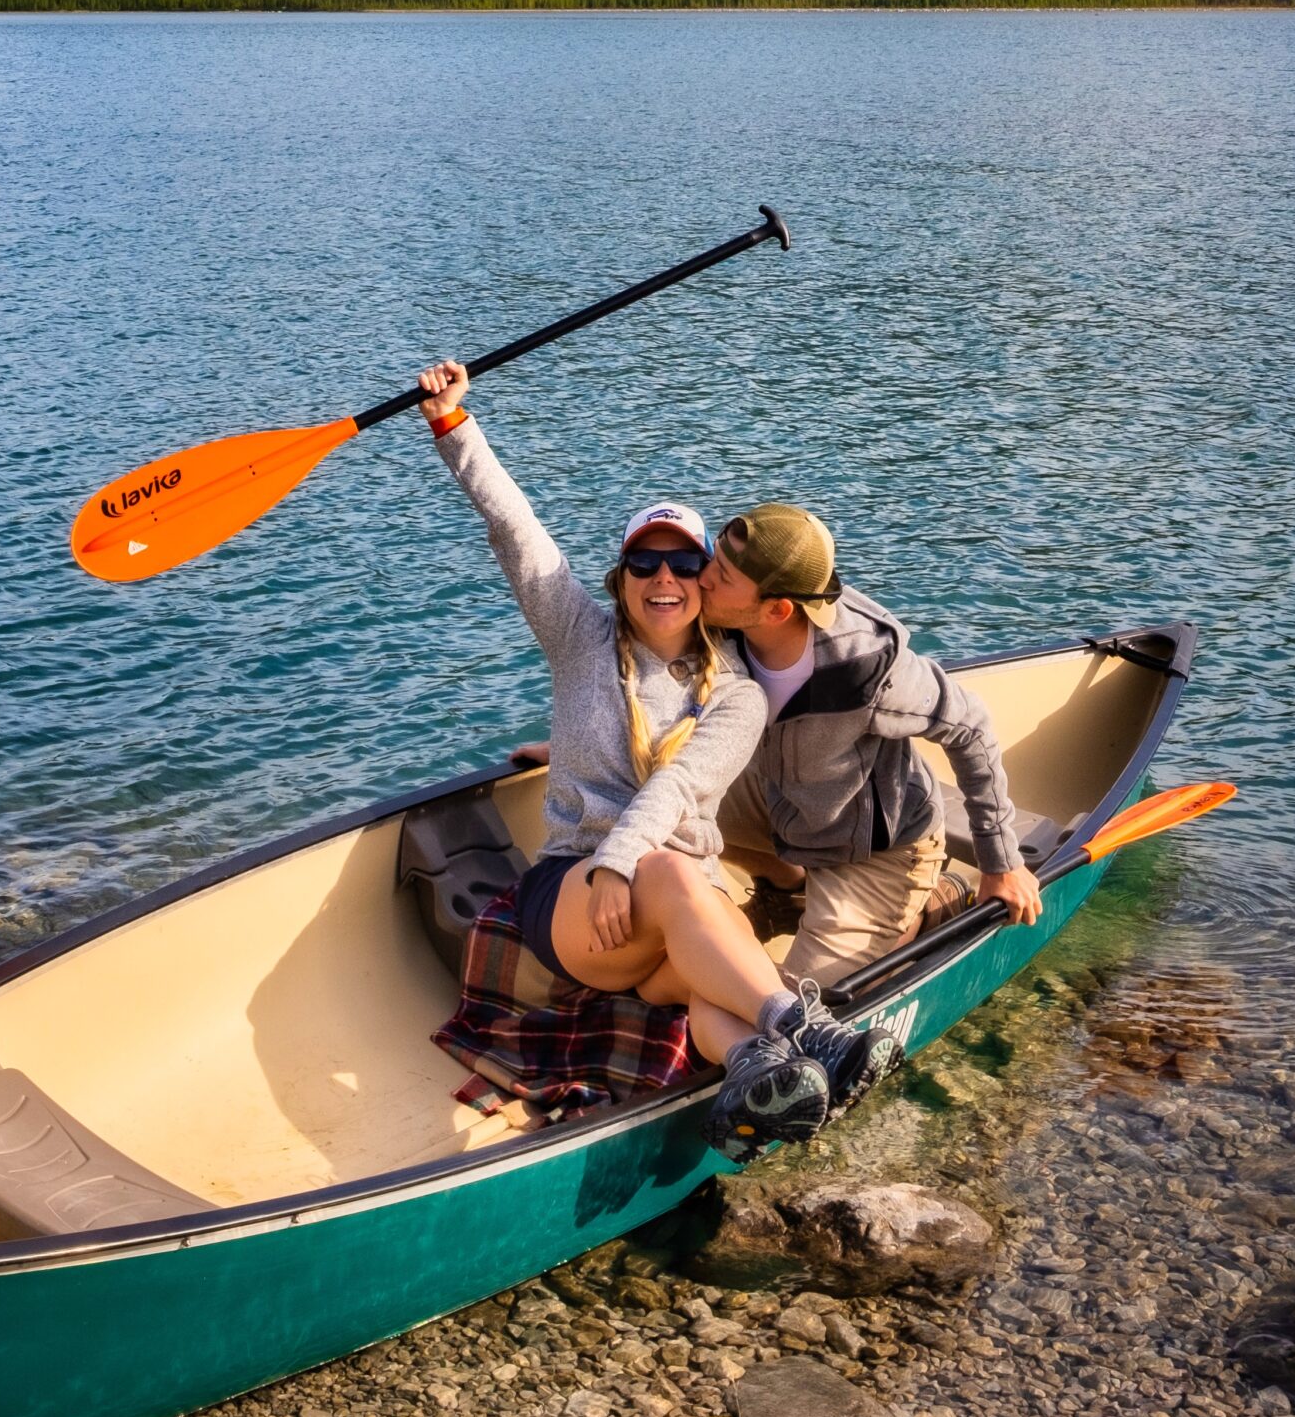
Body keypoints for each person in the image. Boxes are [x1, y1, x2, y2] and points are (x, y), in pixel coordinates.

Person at [417, 360, 894, 1156]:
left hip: (674, 905)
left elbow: (682, 783)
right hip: (575, 891)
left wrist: (631, 859)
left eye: (680, 563)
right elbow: (517, 530)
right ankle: (813, 1030)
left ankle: (752, 1074)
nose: (661, 577)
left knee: (711, 978)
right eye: (644, 561)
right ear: (622, 577)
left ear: (707, 583)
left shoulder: (739, 694)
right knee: (675, 877)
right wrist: (453, 426)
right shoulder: (578, 637)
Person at [696, 503, 1042, 993]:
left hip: (880, 852)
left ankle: (929, 906)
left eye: (722, 575)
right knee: (661, 802)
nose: (702, 578)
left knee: (797, 1005)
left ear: (777, 609)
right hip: (786, 800)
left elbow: (971, 727)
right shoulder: (723, 619)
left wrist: (999, 860)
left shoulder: (866, 668)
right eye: (713, 559)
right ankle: (789, 890)